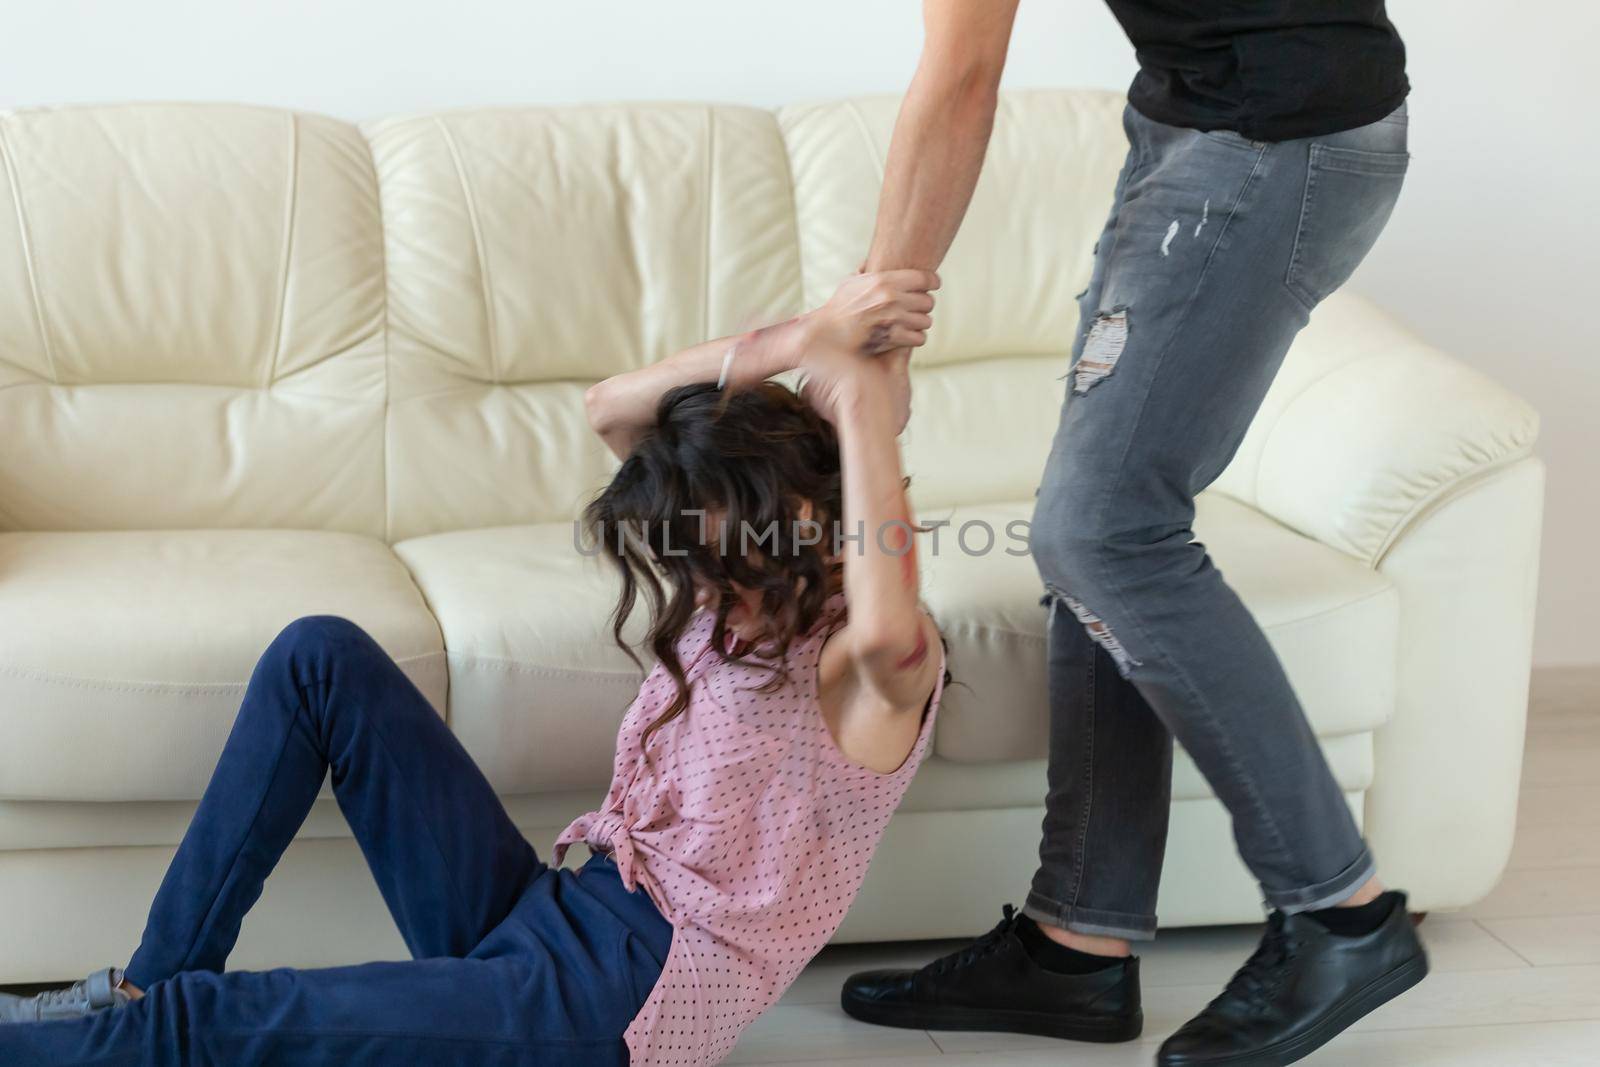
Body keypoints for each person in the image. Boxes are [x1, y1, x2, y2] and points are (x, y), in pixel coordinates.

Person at [0, 269, 949, 1067]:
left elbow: (887, 620)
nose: (699, 592)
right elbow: (610, 406)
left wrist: (860, 399)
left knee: (217, 1024)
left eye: (721, 566)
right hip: (555, 910)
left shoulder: (867, 669)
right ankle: (140, 988)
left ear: (809, 523)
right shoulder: (737, 588)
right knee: (317, 656)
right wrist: (806, 339)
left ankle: (121, 1029)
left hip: (609, 1003)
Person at [837, 3, 1428, 1065]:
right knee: (1095, 526)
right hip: (1211, 124)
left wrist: (877, 324)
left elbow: (963, 73)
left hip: (1271, 138)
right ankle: (1077, 939)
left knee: (1105, 531)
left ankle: (1344, 915)